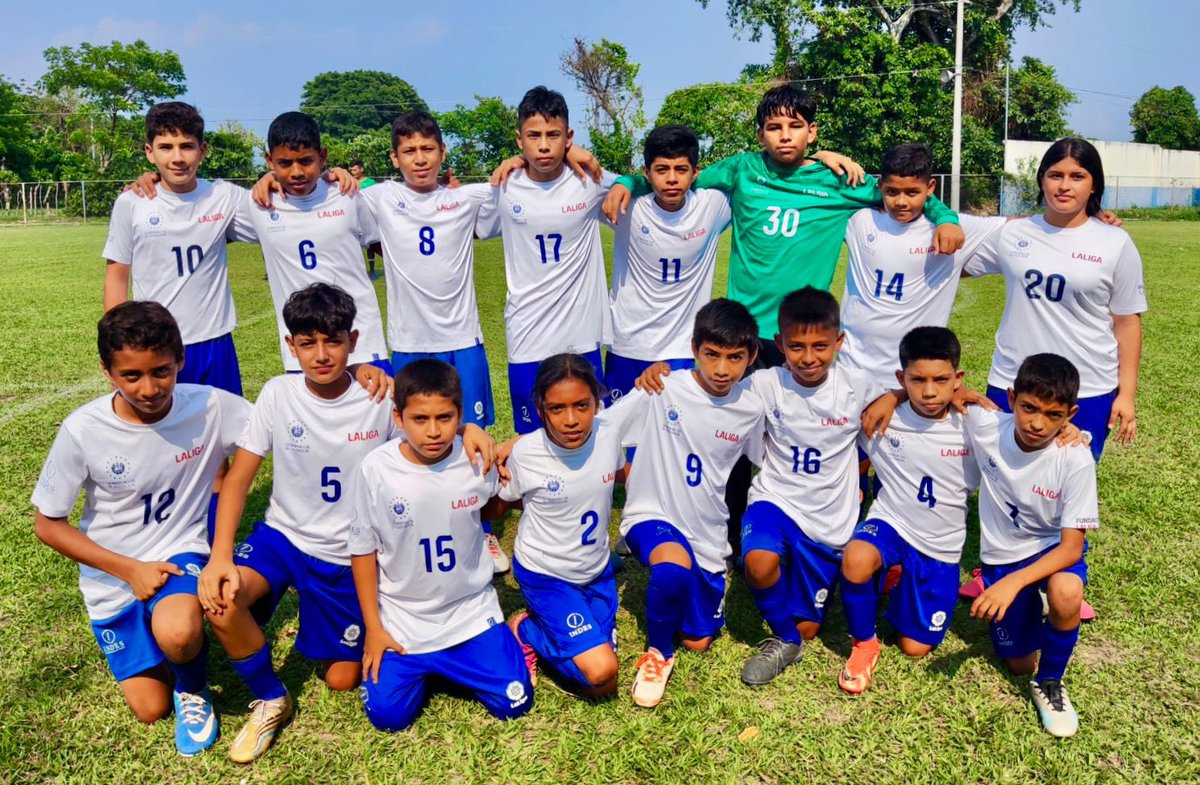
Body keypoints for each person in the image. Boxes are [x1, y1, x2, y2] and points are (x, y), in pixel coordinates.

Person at [31, 301, 251, 756]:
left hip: (180, 554)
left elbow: (284, 421)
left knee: (178, 633)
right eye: (131, 376)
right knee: (150, 708)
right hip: (113, 577)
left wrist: (363, 381)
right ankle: (162, 642)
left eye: (162, 371)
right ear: (107, 371)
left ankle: (193, 687)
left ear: (180, 361)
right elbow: (48, 525)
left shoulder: (210, 406)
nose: (150, 388)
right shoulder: (82, 430)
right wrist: (128, 570)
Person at [198, 284, 398, 763]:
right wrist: (220, 555)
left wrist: (470, 428)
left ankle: (318, 618)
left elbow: (431, 426)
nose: (321, 354)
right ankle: (271, 697)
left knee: (341, 680)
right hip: (282, 537)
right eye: (307, 343)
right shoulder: (277, 392)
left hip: (345, 554)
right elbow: (240, 478)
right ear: (292, 346)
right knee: (220, 598)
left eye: (333, 341)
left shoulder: (381, 395)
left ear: (353, 339)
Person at [354, 109, 510, 573]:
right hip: (408, 342)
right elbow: (323, 192)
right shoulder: (377, 199)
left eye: (428, 149)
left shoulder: (468, 200)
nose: (419, 159)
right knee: (415, 433)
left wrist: (516, 163)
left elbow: (527, 170)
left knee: (472, 435)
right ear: (395, 157)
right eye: (409, 151)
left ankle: (480, 530)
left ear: (443, 153)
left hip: (463, 339)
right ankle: (418, 522)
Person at [350, 360, 533, 731]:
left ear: (460, 415)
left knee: (515, 701)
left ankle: (512, 634)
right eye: (420, 419)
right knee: (387, 717)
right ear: (398, 418)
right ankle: (428, 666)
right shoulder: (375, 469)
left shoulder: (475, 460)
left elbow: (499, 500)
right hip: (404, 619)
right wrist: (373, 626)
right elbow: (362, 550)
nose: (433, 431)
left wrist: (472, 432)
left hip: (468, 612)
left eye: (446, 418)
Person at [605, 299, 765, 708]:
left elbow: (768, 458)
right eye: (711, 355)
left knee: (699, 640)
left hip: (708, 530)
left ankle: (684, 619)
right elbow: (604, 427)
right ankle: (659, 654)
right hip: (650, 515)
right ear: (694, 349)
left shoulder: (751, 408)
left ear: (753, 357)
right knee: (673, 568)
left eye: (735, 358)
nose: (722, 369)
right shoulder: (663, 388)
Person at [965, 137, 1147, 461]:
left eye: (1077, 176)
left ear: (1094, 186)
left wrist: (1127, 394)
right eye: (1055, 175)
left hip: (1087, 386)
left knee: (1067, 478)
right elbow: (956, 264)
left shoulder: (1115, 242)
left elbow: (1127, 321)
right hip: (1013, 379)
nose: (1064, 186)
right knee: (1007, 470)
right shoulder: (1013, 234)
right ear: (1042, 180)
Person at [736, 288, 884, 685]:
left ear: (839, 342)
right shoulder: (766, 383)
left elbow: (914, 401)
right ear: (779, 343)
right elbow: (712, 390)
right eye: (796, 346)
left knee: (809, 627)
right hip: (776, 499)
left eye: (820, 346)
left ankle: (804, 604)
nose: (808, 357)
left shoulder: (857, 386)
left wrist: (895, 396)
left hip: (828, 521)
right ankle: (784, 641)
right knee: (759, 563)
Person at [838, 326, 980, 695]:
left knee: (915, 648)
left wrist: (1068, 434)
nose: (929, 391)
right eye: (917, 380)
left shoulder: (977, 425)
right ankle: (864, 644)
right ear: (902, 377)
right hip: (892, 522)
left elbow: (1030, 437)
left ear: (958, 379)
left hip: (940, 544)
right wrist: (892, 396)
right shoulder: (881, 416)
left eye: (941, 380)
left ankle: (898, 579)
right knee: (855, 558)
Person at [965, 353, 1099, 738]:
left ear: (1070, 415)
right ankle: (1033, 604)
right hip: (1002, 556)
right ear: (1011, 398)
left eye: (1054, 415)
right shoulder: (987, 424)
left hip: (1051, 551)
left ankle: (1052, 681)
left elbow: (1072, 549)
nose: (1037, 423)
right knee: (1019, 663)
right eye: (1028, 408)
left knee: (1067, 591)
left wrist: (1014, 583)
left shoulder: (1074, 458)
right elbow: (939, 389)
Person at [475, 86, 615, 434]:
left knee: (585, 429)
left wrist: (597, 163)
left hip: (580, 334)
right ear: (518, 138)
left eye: (553, 135)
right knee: (531, 435)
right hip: (526, 331)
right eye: (533, 135)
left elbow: (641, 185)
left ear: (568, 137)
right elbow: (469, 222)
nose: (543, 145)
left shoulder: (590, 181)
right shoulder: (503, 187)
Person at [497, 354, 626, 697]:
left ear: (596, 404)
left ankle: (559, 633)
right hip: (547, 575)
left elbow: (618, 473)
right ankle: (526, 631)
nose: (571, 420)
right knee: (602, 675)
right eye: (557, 409)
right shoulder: (526, 453)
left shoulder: (609, 434)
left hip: (596, 571)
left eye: (582, 405)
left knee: (602, 682)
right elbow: (501, 499)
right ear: (540, 409)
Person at [231, 111, 390, 376]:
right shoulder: (257, 205)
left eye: (306, 161)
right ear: (270, 160)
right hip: (304, 349)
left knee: (377, 415)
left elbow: (379, 244)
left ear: (323, 157)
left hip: (361, 340)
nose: (297, 172)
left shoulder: (347, 195)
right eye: (284, 163)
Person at [103, 102, 246, 395]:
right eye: (166, 147)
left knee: (226, 432)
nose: (177, 157)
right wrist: (116, 346)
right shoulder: (131, 203)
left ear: (202, 150)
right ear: (149, 152)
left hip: (214, 343)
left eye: (187, 146)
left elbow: (276, 205)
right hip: (153, 345)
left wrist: (273, 178)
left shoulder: (224, 196)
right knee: (156, 434)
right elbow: (117, 276)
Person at [838, 143, 1006, 392]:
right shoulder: (859, 219)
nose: (901, 202)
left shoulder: (959, 229)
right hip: (850, 371)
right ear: (880, 186)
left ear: (930, 188)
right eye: (892, 191)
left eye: (912, 193)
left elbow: (1019, 227)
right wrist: (823, 155)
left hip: (914, 380)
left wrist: (947, 219)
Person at [604, 125, 731, 400]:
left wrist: (820, 158)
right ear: (646, 173)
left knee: (673, 437)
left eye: (681, 170)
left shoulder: (713, 205)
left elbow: (756, 172)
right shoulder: (628, 205)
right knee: (621, 437)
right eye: (661, 170)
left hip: (681, 350)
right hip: (626, 346)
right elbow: (575, 170)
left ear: (696, 172)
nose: (671, 179)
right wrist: (625, 182)